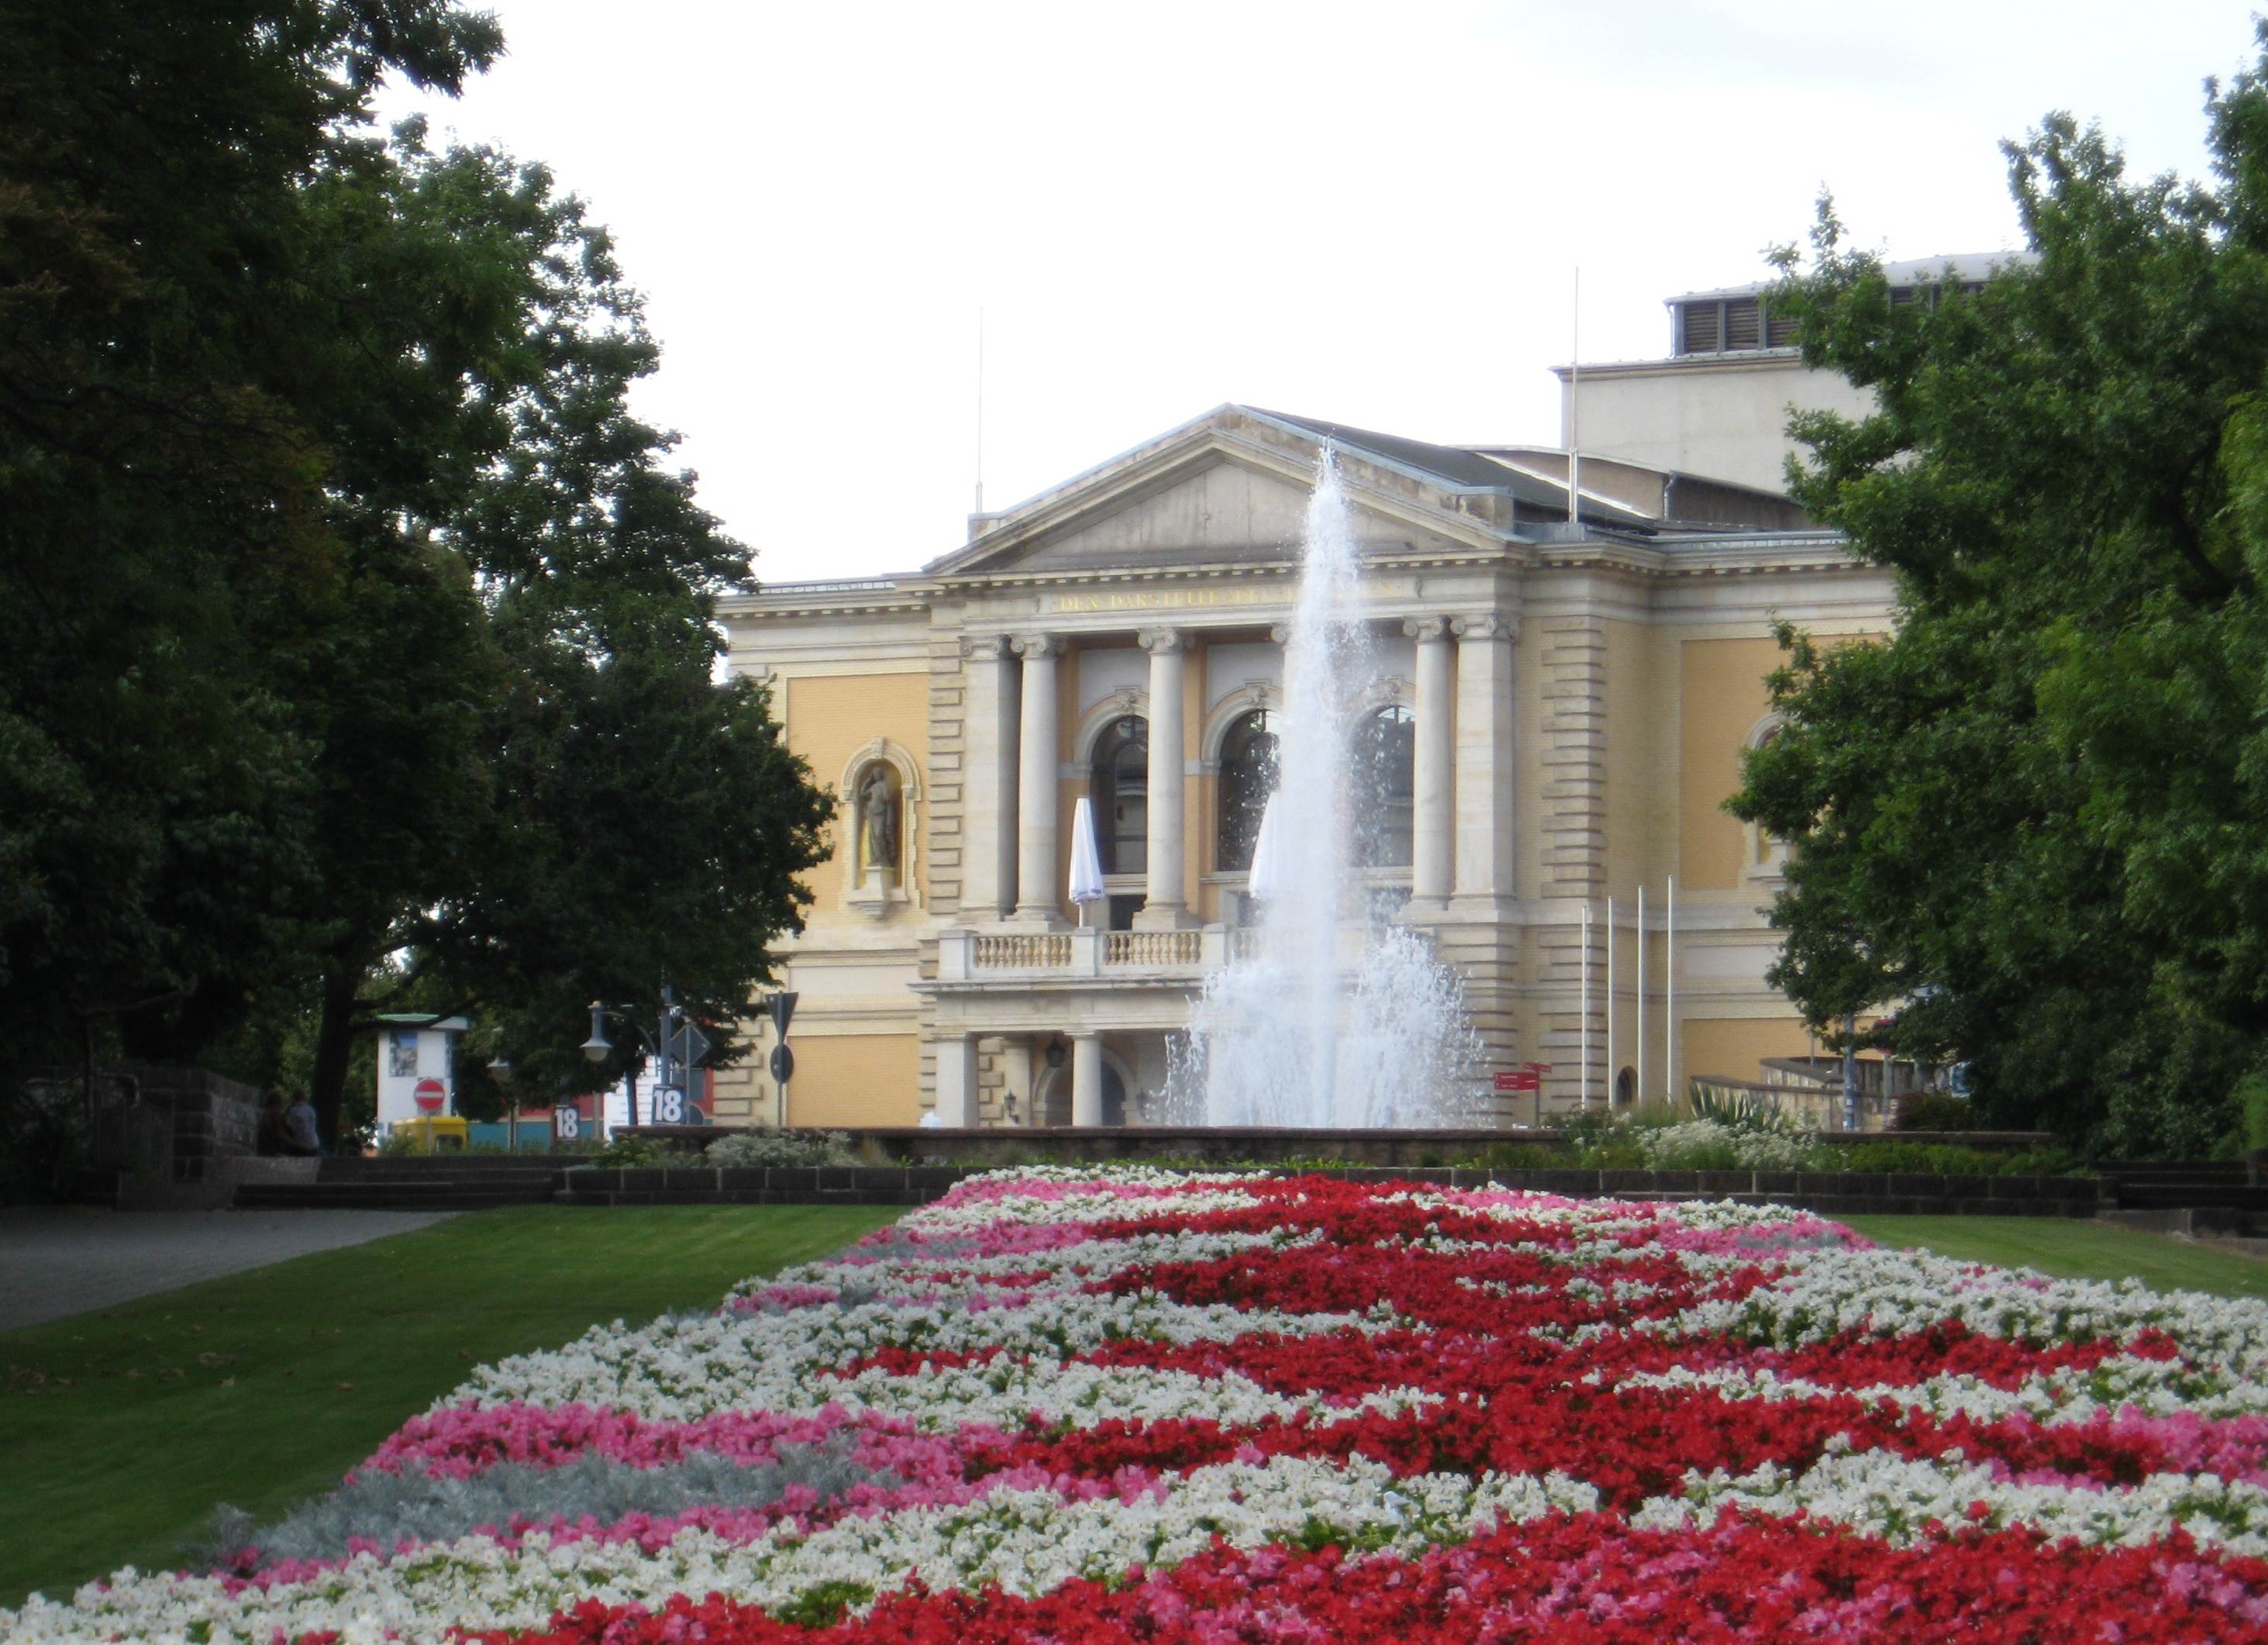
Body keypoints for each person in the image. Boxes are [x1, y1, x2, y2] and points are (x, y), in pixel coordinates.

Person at [280, 1091, 322, 1157]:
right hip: (315, 1143)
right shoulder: (311, 1110)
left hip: (302, 1146)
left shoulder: (294, 1111)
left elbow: (290, 1128)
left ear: (294, 1099)